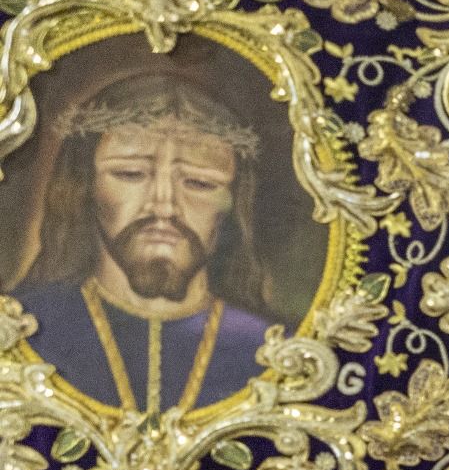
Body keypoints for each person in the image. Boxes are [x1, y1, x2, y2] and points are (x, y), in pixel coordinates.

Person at [16, 73, 274, 412]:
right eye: (130, 174)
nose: (164, 206)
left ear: (233, 201)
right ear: (85, 186)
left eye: (199, 183)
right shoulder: (23, 327)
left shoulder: (268, 348)